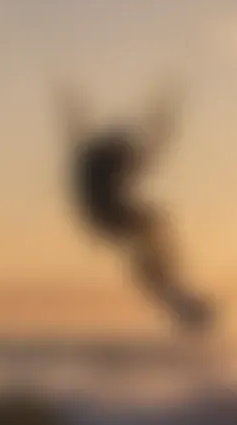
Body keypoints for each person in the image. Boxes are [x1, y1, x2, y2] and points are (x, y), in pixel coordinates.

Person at [57, 82, 215, 333]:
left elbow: (77, 128)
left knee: (151, 231)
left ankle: (171, 292)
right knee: (152, 228)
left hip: (103, 211)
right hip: (102, 212)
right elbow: (150, 148)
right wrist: (164, 119)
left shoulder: (107, 158)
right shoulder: (106, 161)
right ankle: (171, 293)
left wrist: (162, 117)